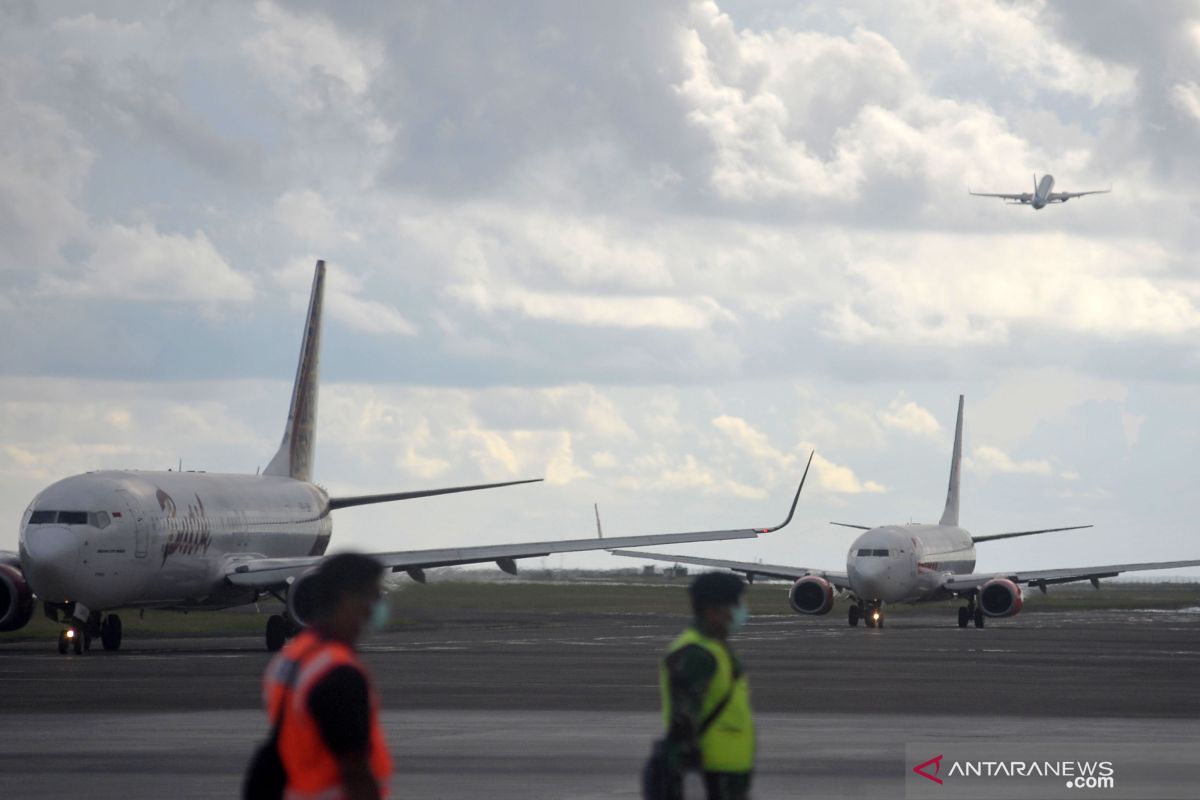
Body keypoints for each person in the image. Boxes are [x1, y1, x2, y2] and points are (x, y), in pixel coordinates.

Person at [261, 553, 394, 800]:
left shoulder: (290, 661)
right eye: (373, 596)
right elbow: (353, 766)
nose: (377, 606)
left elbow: (275, 749)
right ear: (348, 599)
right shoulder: (338, 672)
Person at [659, 572, 755, 800]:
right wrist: (689, 783)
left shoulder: (716, 648)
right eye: (736, 604)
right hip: (710, 778)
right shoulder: (696, 655)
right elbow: (682, 726)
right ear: (713, 610)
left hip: (727, 776)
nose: (741, 610)